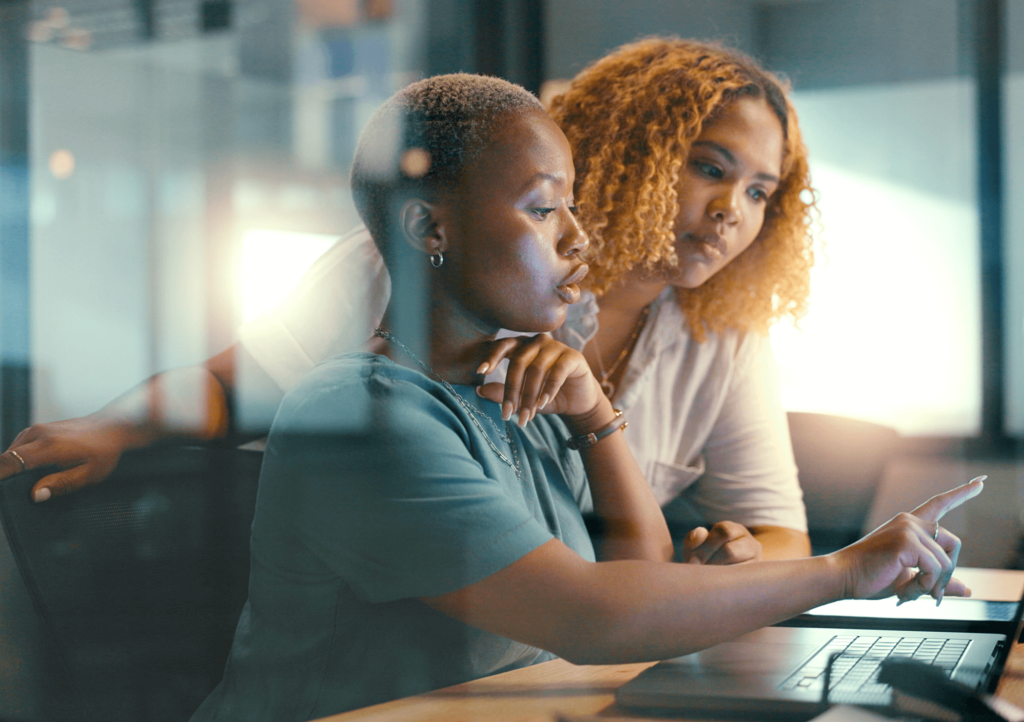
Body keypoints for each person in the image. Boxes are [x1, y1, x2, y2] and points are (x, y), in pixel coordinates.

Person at [190, 72, 979, 721]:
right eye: (541, 210)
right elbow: (593, 617)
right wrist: (844, 572)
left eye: (570, 206)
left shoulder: (520, 392)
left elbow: (639, 570)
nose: (578, 239)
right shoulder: (358, 417)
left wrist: (596, 416)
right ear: (430, 230)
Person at [4, 39, 808, 564]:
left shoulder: (725, 335)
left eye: (761, 191)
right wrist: (115, 425)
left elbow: (776, 532)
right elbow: (230, 386)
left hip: (576, 636)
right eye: (709, 168)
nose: (733, 209)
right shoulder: (432, 268)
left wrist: (739, 554)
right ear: (635, 151)